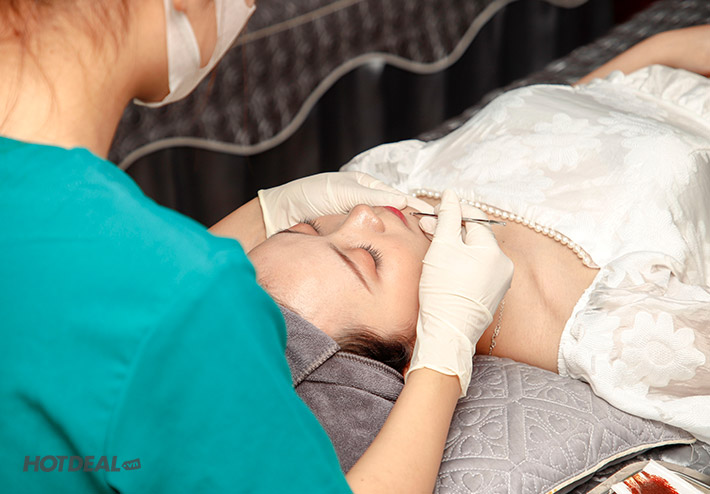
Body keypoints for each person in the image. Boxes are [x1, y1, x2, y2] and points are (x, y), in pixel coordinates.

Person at [0, 1, 513, 493]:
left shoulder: (121, 268)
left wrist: (269, 213)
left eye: (307, 227)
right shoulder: (188, 300)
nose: (362, 215)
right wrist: (444, 359)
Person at [212, 26, 710, 446]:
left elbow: (579, 106)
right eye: (366, 257)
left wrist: (666, 46)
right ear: (412, 352)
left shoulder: (388, 180)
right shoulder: (620, 334)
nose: (360, 215)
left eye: (309, 228)